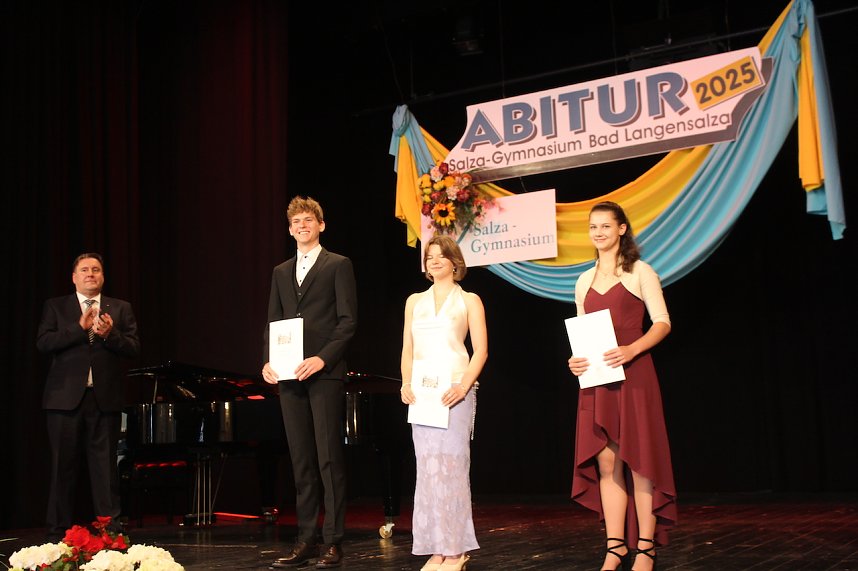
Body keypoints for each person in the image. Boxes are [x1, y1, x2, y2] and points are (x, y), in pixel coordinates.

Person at [567, 201, 676, 571]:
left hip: (635, 374)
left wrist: (633, 348)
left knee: (641, 461)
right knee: (607, 460)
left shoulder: (640, 272)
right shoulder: (583, 280)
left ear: (621, 229)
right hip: (597, 380)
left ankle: (645, 547)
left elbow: (661, 322)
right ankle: (615, 546)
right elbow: (583, 333)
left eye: (605, 226)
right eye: (593, 227)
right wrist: (575, 360)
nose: (598, 233)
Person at [262, 196, 358, 570]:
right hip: (289, 375)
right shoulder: (280, 271)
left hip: (323, 373)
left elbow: (348, 321)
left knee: (328, 457)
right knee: (301, 459)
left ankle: (333, 541)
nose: (303, 225)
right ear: (290, 229)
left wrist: (323, 357)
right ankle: (305, 539)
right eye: (296, 221)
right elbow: (274, 321)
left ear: (321, 225)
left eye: (309, 220)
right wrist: (269, 360)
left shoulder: (338, 265)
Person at [36, 252, 141, 539]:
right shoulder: (56, 307)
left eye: (96, 270)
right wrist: (77, 329)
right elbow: (44, 343)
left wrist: (110, 334)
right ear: (74, 277)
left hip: (104, 400)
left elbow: (133, 348)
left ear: (103, 276)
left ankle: (111, 532)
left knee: (105, 470)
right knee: (62, 469)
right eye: (84, 270)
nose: (90, 274)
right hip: (64, 400)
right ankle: (58, 532)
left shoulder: (120, 309)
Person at [399, 235, 488, 571]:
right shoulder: (414, 301)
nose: (434, 260)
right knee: (428, 470)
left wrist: (463, 386)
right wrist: (406, 383)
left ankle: (456, 551)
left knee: (451, 468)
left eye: (441, 256)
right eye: (430, 256)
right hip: (422, 392)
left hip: (455, 390)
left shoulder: (469, 300)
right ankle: (436, 548)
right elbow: (407, 348)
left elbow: (480, 350)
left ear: (455, 262)